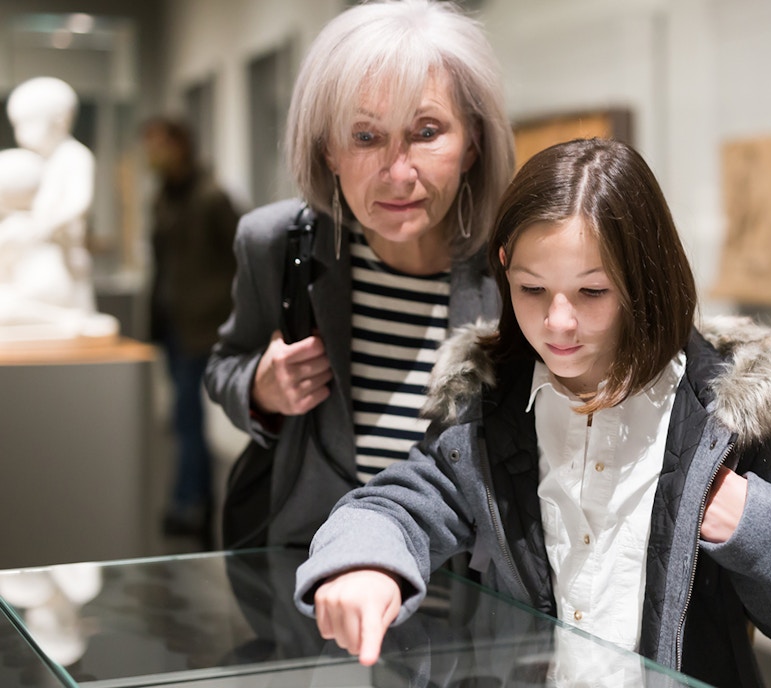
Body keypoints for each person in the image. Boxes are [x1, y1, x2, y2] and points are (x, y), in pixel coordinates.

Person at [294, 138, 771, 688]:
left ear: (644, 282)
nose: (557, 323)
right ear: (505, 270)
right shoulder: (487, 410)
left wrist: (744, 518)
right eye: (532, 289)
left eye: (592, 292)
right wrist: (362, 561)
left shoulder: (727, 414)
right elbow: (400, 503)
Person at [204, 0, 514, 549]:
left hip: (469, 598)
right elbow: (225, 366)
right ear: (328, 150)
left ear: (472, 144)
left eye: (426, 131)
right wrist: (262, 388)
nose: (398, 174)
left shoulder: (516, 266)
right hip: (311, 573)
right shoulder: (274, 244)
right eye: (366, 137)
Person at [142, 116, 241, 541]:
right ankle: (191, 498)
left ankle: (192, 503)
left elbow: (245, 254)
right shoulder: (164, 198)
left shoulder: (211, 197)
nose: (152, 153)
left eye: (159, 144)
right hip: (172, 322)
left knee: (187, 418)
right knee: (183, 420)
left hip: (203, 323)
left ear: (181, 145)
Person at [0, 77, 118, 340]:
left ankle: (78, 321)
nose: (21, 134)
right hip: (46, 248)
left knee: (78, 293)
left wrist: (47, 225)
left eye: (28, 124)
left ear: (59, 121)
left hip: (65, 248)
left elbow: (80, 202)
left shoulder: (74, 156)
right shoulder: (45, 162)